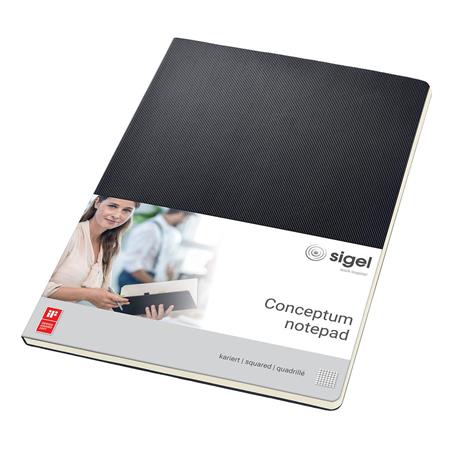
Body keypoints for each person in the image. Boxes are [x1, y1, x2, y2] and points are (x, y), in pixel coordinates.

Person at [43, 196, 174, 320]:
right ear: (97, 202)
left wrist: (143, 314)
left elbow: (103, 294)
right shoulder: (72, 234)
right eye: (112, 206)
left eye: (127, 210)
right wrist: (89, 294)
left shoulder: (111, 245)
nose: (117, 215)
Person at [118, 209, 190, 290]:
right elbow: (132, 264)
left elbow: (164, 258)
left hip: (148, 279)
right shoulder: (149, 229)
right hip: (134, 279)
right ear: (180, 213)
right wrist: (155, 286)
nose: (184, 221)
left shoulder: (169, 232)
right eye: (186, 218)